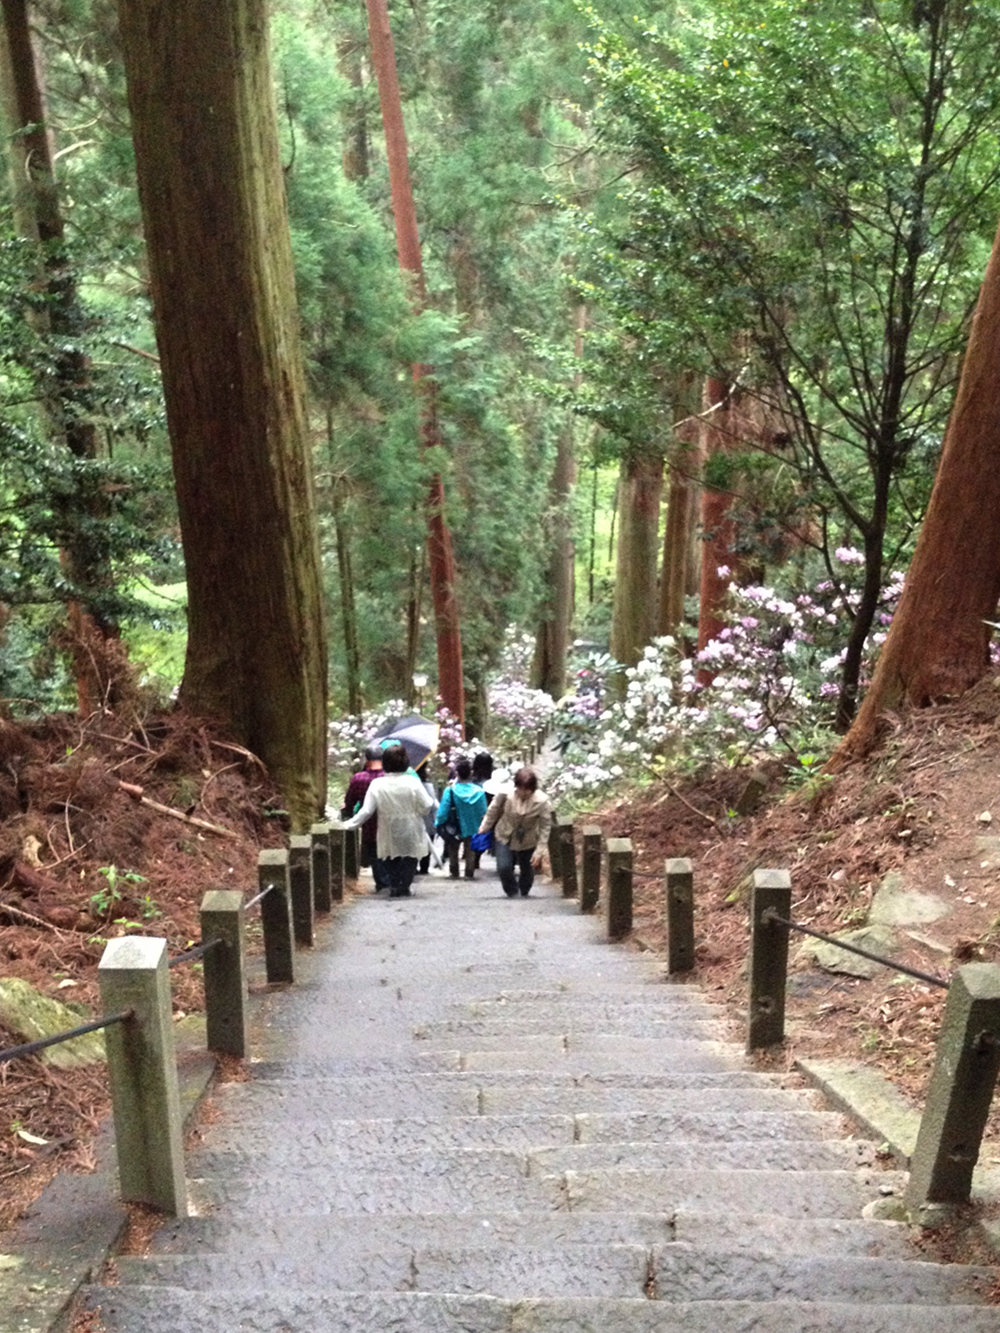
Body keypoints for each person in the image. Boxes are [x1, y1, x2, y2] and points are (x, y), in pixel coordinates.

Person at [340, 743, 433, 898]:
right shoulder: (413, 782)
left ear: (385, 763)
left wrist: (348, 825)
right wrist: (418, 811)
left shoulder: (377, 784)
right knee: (410, 857)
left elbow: (367, 811)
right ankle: (405, 886)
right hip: (410, 826)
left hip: (387, 827)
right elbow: (427, 805)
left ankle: (395, 885)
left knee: (390, 856)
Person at [479, 766, 552, 898]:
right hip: (504, 833)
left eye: (527, 790)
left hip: (528, 837)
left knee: (527, 868)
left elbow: (545, 826)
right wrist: (485, 826)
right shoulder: (505, 794)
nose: (523, 792)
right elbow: (493, 810)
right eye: (520, 789)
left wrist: (539, 850)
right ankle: (512, 891)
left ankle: (524, 891)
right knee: (503, 866)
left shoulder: (542, 801)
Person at [341, 744, 387, 891]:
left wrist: (347, 814)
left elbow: (350, 801)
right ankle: (390, 880)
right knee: (388, 851)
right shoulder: (387, 777)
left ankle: (381, 882)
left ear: (367, 759)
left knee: (374, 852)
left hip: (368, 822)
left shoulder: (358, 778)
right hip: (388, 820)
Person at [435, 757, 488, 879]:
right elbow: (484, 811)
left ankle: (454, 872)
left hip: (454, 826)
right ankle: (469, 872)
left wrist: (439, 822)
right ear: (471, 773)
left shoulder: (450, 791)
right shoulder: (479, 792)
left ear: (457, 773)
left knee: (453, 848)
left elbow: (443, 810)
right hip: (473, 825)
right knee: (470, 850)